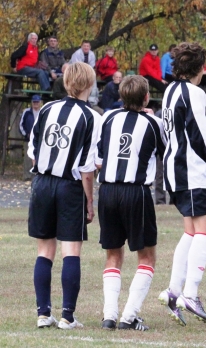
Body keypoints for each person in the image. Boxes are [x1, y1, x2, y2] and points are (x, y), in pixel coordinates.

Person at [28, 62, 101, 329]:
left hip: (43, 184)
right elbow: (88, 169)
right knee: (71, 252)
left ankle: (43, 313)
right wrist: (90, 203)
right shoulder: (92, 117)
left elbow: (33, 151)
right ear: (89, 84)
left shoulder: (46, 108)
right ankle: (67, 317)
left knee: (45, 250)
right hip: (70, 187)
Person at [96, 75, 166, 331]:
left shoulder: (107, 118)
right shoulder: (153, 123)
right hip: (137, 192)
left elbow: (99, 155)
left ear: (121, 97)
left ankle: (109, 315)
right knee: (146, 257)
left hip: (107, 191)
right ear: (146, 97)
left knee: (113, 254)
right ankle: (129, 315)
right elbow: (165, 151)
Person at [158, 42, 206, 326]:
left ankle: (173, 292)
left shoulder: (169, 90)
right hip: (191, 169)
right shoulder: (194, 93)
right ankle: (190, 294)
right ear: (200, 68)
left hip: (173, 168)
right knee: (205, 230)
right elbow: (199, 133)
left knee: (191, 231)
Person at [19, 94, 42, 180]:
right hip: (28, 139)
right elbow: (21, 125)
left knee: (38, 157)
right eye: (34, 102)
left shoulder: (42, 112)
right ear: (32, 102)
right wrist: (26, 134)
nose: (36, 103)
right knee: (28, 158)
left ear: (40, 102)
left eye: (37, 102)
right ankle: (26, 176)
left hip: (39, 139)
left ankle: (36, 176)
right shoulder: (27, 112)